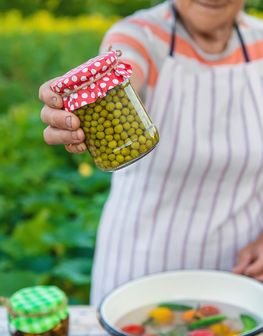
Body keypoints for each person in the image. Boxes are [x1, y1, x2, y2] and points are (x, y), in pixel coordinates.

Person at [39, 0, 263, 306]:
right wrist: (89, 98)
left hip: (238, 281)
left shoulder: (259, 40)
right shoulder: (139, 35)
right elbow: (122, 67)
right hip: (140, 273)